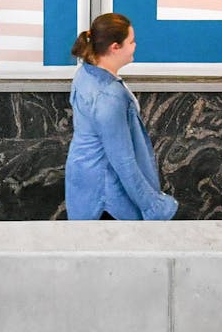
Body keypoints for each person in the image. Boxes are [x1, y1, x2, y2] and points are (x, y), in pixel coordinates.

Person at [64, 13, 178, 220]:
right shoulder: (109, 95)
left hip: (85, 184)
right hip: (108, 196)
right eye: (131, 42)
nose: (135, 46)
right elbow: (122, 160)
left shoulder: (86, 73)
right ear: (115, 47)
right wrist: (155, 206)